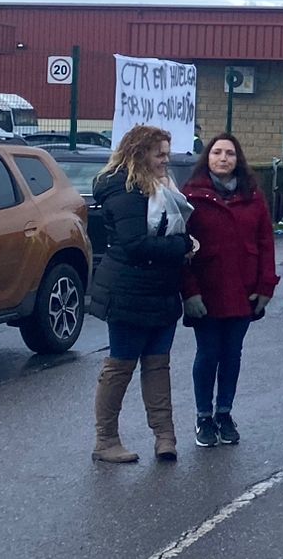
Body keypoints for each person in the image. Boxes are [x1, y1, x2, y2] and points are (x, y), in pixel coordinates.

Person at [87, 125, 196, 463]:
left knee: (157, 365)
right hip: (128, 290)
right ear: (140, 153)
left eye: (167, 153)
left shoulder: (163, 186)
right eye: (159, 154)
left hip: (160, 289)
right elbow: (136, 245)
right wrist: (182, 246)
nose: (166, 160)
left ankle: (165, 437)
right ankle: (106, 440)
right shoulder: (124, 189)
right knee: (120, 366)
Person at [180, 133, 277, 447]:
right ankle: (203, 417)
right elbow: (182, 248)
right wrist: (190, 292)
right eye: (217, 152)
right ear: (207, 157)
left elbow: (265, 243)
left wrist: (265, 286)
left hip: (244, 289)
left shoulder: (253, 195)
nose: (223, 158)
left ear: (239, 159)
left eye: (230, 154)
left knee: (232, 355)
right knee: (208, 354)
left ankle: (225, 412)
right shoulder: (191, 195)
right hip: (206, 290)